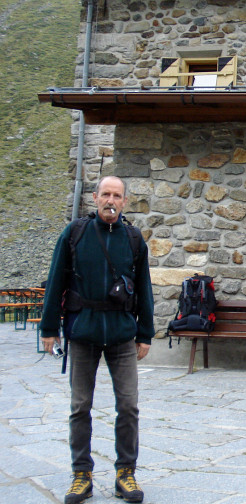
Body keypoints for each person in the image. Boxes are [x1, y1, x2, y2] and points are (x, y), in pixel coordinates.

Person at [40, 176, 154, 504]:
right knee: (80, 407)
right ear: (95, 197)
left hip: (121, 334)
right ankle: (81, 474)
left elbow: (144, 288)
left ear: (125, 202)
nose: (111, 201)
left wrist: (145, 332)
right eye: (106, 194)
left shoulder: (133, 239)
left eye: (117, 196)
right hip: (83, 332)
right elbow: (56, 280)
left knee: (128, 406)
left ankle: (126, 473)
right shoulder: (74, 234)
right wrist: (49, 328)